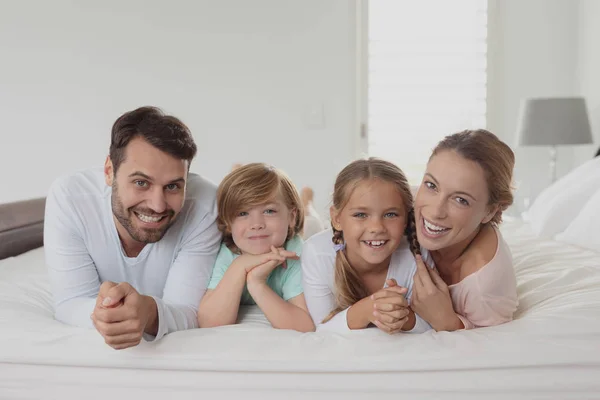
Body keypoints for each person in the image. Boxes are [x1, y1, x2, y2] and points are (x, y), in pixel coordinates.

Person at [44, 106, 221, 350]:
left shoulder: (205, 205)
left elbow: (190, 311)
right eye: (141, 182)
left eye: (172, 187)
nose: (158, 206)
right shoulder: (70, 198)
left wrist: (148, 313)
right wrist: (106, 311)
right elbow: (70, 303)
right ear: (109, 172)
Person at [301, 158, 433, 334]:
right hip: (321, 234)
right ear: (337, 219)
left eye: (391, 214)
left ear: (406, 218)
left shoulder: (417, 252)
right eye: (361, 215)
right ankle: (306, 205)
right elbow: (321, 328)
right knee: (309, 223)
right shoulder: (316, 252)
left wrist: (405, 317)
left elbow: (432, 323)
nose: (376, 228)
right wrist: (365, 311)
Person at [410, 129, 518, 331]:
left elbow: (494, 346)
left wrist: (447, 321)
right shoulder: (403, 205)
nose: (435, 211)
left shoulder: (485, 289)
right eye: (432, 185)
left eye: (461, 200)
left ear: (489, 211)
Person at [197, 163, 314, 332]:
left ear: (291, 217)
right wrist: (240, 265)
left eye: (269, 211)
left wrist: (257, 283)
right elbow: (210, 322)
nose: (257, 224)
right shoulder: (227, 252)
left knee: (313, 223)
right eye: (243, 213)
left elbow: (304, 325)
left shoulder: (294, 252)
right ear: (228, 224)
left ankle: (307, 203)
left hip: (303, 230)